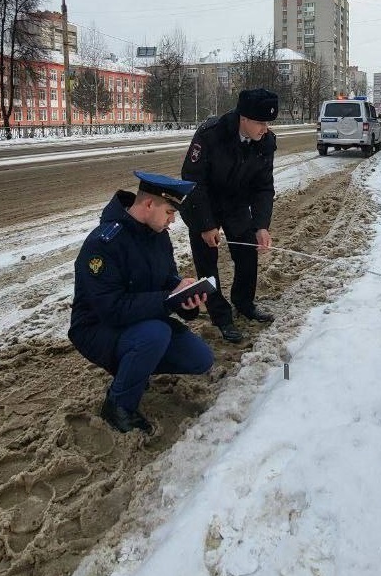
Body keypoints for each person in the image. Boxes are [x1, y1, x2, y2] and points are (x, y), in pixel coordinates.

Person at [68, 171, 214, 433]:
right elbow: (110, 309)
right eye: (169, 212)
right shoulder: (104, 243)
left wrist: (185, 298)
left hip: (139, 321)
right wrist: (168, 300)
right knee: (155, 334)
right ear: (149, 204)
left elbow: (167, 279)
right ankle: (118, 406)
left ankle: (135, 367)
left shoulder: (157, 235)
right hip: (96, 327)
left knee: (200, 358)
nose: (172, 221)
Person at [179, 88, 279, 343]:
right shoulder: (211, 134)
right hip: (203, 203)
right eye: (260, 122)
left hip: (236, 204)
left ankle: (244, 303)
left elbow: (263, 186)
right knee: (207, 263)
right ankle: (220, 315)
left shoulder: (266, 142)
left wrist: (261, 225)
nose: (264, 128)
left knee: (247, 253)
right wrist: (206, 224)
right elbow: (192, 180)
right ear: (243, 118)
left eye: (268, 123)